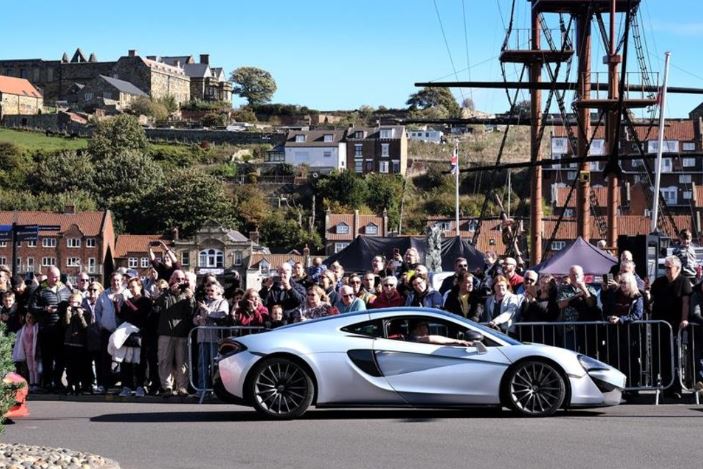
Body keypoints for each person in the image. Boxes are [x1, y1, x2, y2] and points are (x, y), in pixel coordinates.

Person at [650, 256, 691, 399]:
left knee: (675, 356)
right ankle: (665, 387)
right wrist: (646, 291)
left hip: (674, 325)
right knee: (662, 356)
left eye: (669, 268)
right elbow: (651, 299)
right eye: (665, 268)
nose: (666, 270)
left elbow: (685, 302)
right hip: (659, 324)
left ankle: (676, 388)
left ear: (677, 269)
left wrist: (684, 319)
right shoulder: (659, 282)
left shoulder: (684, 281)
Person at [29, 266, 72, 392]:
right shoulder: (40, 290)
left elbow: (72, 300)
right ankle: (47, 383)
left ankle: (58, 382)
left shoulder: (64, 288)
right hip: (46, 330)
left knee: (60, 358)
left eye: (58, 276)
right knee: (47, 358)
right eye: (54, 276)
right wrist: (44, 310)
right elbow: (31, 307)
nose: (56, 279)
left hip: (61, 329)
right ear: (47, 276)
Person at [155, 270, 196, 397]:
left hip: (182, 333)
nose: (180, 281)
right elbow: (158, 307)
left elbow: (192, 312)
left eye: (182, 279)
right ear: (171, 279)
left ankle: (182, 387)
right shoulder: (166, 293)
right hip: (166, 332)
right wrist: (169, 292)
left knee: (182, 362)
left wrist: (190, 298)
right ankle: (167, 386)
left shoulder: (187, 293)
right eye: (177, 279)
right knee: (164, 360)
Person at [603, 272, 645, 389]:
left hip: (631, 335)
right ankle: (618, 387)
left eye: (624, 283)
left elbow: (637, 315)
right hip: (615, 334)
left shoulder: (637, 297)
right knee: (616, 360)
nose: (621, 285)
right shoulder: (614, 295)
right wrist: (609, 317)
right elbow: (606, 309)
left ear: (631, 283)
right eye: (620, 282)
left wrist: (621, 320)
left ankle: (632, 387)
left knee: (631, 362)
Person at [93, 271, 131, 393]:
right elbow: (97, 311)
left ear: (122, 281)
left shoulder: (127, 293)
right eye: (114, 280)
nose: (116, 282)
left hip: (122, 332)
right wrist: (100, 324)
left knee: (124, 360)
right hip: (107, 331)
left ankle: (126, 385)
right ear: (110, 281)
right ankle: (104, 385)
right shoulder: (103, 295)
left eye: (118, 280)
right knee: (105, 359)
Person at [117, 278, 152, 398]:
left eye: (133, 286)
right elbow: (121, 315)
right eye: (129, 287)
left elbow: (139, 313)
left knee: (140, 362)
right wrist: (117, 303)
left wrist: (127, 302)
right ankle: (126, 386)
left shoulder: (146, 301)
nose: (131, 289)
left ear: (140, 286)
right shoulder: (128, 301)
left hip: (140, 334)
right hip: (128, 334)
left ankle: (140, 386)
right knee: (127, 361)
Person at [63, 292, 91, 395]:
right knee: (69, 367)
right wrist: (68, 314)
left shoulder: (85, 312)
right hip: (68, 343)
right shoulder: (69, 311)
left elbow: (86, 327)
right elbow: (66, 324)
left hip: (79, 344)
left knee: (78, 367)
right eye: (70, 302)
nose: (71, 304)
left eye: (74, 302)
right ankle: (70, 385)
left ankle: (78, 386)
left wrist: (80, 316)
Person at [520, 273, 560, 344]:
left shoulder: (553, 298)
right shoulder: (535, 295)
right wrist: (526, 301)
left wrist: (534, 302)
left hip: (546, 334)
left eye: (546, 283)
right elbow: (525, 313)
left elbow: (549, 314)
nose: (543, 285)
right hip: (530, 332)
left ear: (551, 285)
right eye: (541, 282)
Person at [12, 311, 40, 392]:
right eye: (27, 317)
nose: (29, 319)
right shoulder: (24, 327)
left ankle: (36, 384)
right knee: (30, 368)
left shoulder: (36, 327)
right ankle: (31, 384)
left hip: (34, 351)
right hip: (27, 351)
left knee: (35, 368)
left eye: (31, 317)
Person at [407, 320, 473, 346]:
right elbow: (430, 338)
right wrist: (457, 341)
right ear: (416, 328)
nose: (426, 327)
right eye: (424, 325)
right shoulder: (413, 338)